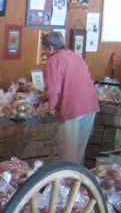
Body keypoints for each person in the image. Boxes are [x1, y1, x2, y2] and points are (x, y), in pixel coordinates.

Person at [41, 31, 99, 163]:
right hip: (90, 106)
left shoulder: (53, 60)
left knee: (68, 155)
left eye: (44, 49)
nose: (44, 52)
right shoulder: (74, 56)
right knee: (79, 152)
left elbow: (54, 90)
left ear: (50, 48)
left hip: (73, 108)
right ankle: (77, 183)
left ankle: (66, 182)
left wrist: (50, 107)